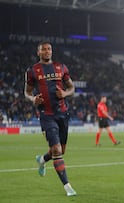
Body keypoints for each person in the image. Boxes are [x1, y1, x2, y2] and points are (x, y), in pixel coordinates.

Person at [24, 41, 77, 196]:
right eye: (43, 49)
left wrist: (65, 94)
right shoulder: (32, 71)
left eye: (49, 49)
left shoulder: (62, 67)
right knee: (57, 149)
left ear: (51, 51)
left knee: (61, 150)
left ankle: (42, 160)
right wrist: (32, 99)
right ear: (38, 52)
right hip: (47, 115)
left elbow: (72, 88)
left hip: (63, 114)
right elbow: (26, 92)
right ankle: (68, 187)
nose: (47, 51)